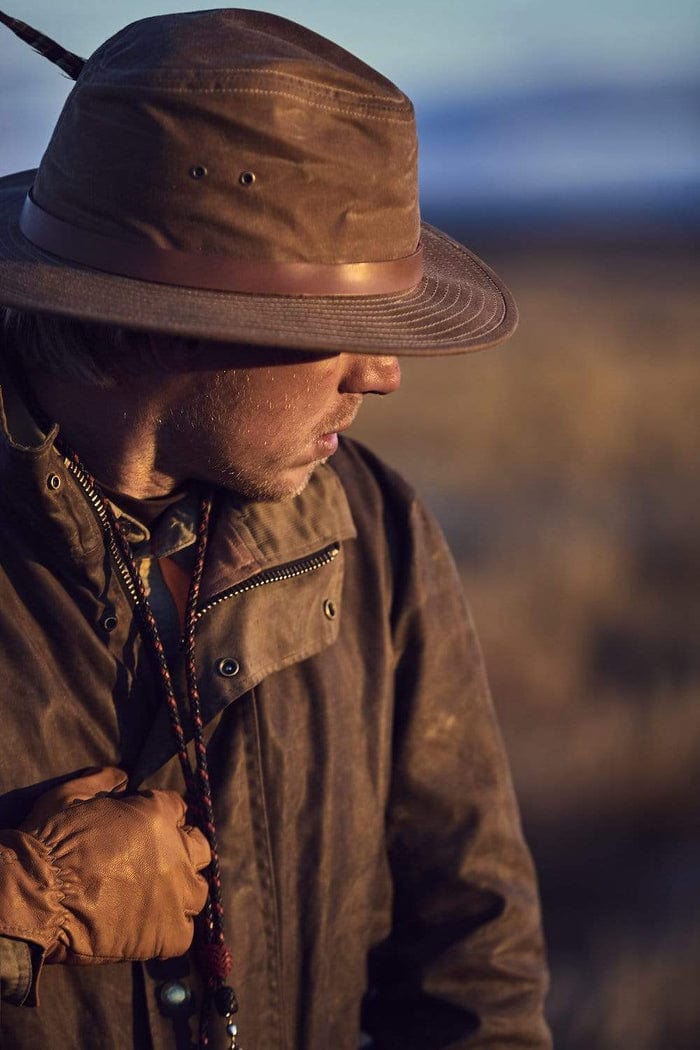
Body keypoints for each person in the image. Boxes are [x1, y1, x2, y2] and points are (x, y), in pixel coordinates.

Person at [0, 9, 551, 1049]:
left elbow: (474, 954)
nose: (384, 374)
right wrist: (19, 902)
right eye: (334, 332)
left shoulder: (371, 529)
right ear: (150, 317)